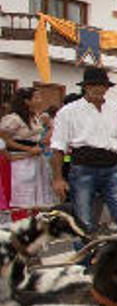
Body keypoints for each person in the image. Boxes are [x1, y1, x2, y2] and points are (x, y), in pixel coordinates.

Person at [50, 67, 117, 235]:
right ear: (85, 87)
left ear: (107, 88)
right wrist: (57, 179)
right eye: (93, 85)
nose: (98, 89)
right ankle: (85, 260)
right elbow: (58, 148)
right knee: (84, 222)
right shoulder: (68, 112)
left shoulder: (116, 110)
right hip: (83, 167)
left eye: (102, 85)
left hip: (112, 166)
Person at [0, 88, 55, 219]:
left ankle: (33, 220)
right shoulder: (13, 119)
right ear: (26, 101)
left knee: (36, 193)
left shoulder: (35, 117)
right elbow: (4, 140)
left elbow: (38, 137)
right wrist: (27, 149)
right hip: (20, 161)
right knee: (21, 192)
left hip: (35, 160)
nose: (40, 100)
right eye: (36, 98)